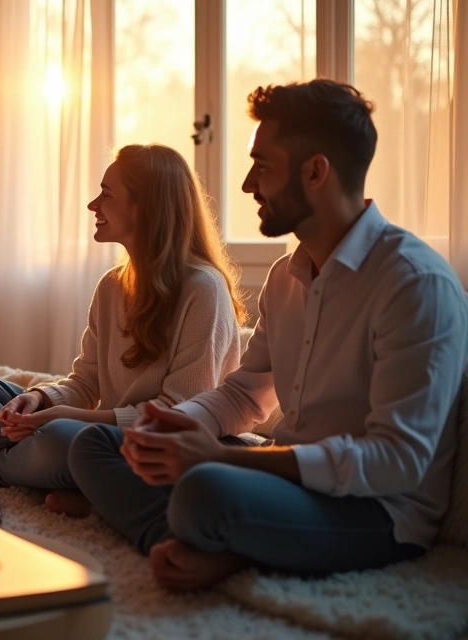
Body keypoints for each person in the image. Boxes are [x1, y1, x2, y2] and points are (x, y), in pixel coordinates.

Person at [68, 79, 468, 591]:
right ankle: (215, 541)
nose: (246, 185)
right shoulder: (285, 277)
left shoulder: (414, 284)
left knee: (203, 491)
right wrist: (175, 424)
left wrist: (221, 458)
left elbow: (396, 463)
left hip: (376, 510)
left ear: (316, 172)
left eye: (262, 166)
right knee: (95, 445)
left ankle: (215, 544)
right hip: (281, 475)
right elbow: (244, 393)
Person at [0, 144, 247, 515]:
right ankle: (77, 482)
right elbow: (85, 383)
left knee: (62, 438)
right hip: (100, 439)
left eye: (106, 195)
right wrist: (41, 400)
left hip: (157, 446)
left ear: (144, 207)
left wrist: (65, 419)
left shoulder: (203, 290)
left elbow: (176, 418)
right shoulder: (112, 286)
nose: (93, 205)